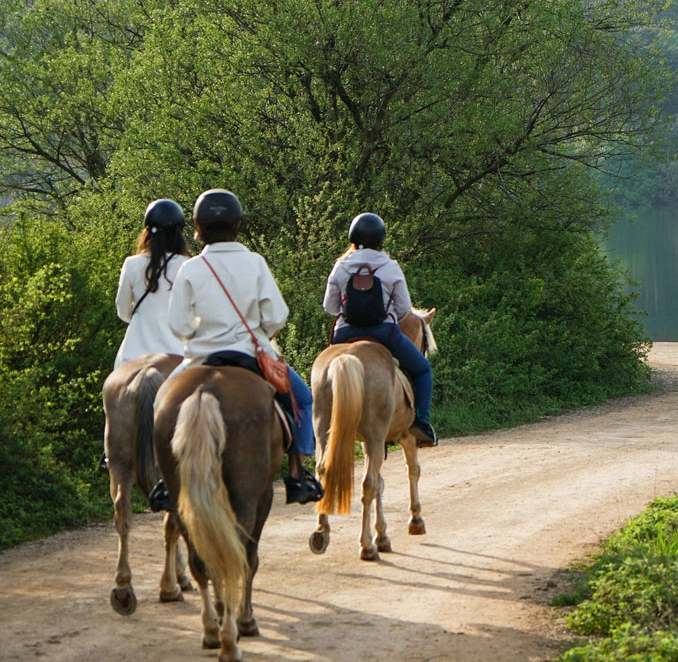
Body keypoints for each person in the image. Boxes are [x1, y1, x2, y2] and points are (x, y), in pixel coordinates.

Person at [153, 188, 323, 508]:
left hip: (200, 357)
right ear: (237, 226)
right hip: (250, 352)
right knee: (301, 398)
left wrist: (199, 333)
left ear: (198, 228)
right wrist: (259, 332)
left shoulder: (189, 269)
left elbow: (176, 325)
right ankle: (299, 474)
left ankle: (165, 479)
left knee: (161, 403)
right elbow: (276, 316)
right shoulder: (255, 263)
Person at [324, 212, 437, 446]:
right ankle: (421, 424)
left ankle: (322, 419)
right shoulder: (389, 266)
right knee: (423, 370)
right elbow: (405, 310)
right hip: (384, 333)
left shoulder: (340, 266)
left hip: (344, 335)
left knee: (325, 372)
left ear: (353, 238)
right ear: (381, 239)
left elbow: (330, 307)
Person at [114, 199, 191, 368]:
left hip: (133, 352)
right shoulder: (189, 265)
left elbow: (123, 311)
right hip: (178, 352)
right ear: (178, 232)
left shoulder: (132, 264)